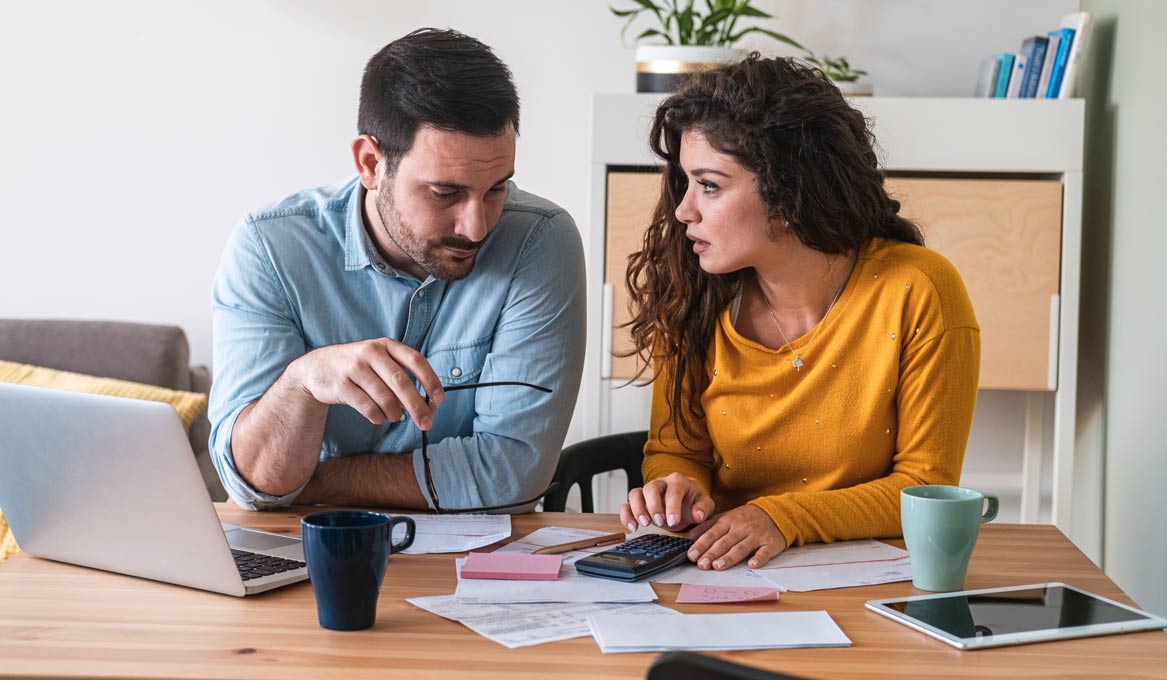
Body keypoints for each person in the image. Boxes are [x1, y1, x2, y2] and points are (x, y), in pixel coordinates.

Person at [619, 55, 980, 571]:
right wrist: (677, 489)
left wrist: (783, 518)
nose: (683, 211)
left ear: (789, 192)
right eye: (685, 182)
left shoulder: (919, 290)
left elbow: (926, 486)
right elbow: (678, 450)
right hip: (720, 573)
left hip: (869, 583)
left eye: (711, 185)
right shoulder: (695, 294)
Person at [208, 28, 585, 513]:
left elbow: (513, 474)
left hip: (472, 567)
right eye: (445, 194)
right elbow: (254, 481)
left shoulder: (539, 241)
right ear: (370, 163)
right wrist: (304, 382)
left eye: (496, 189)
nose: (476, 227)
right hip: (306, 555)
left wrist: (314, 482)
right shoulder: (270, 249)